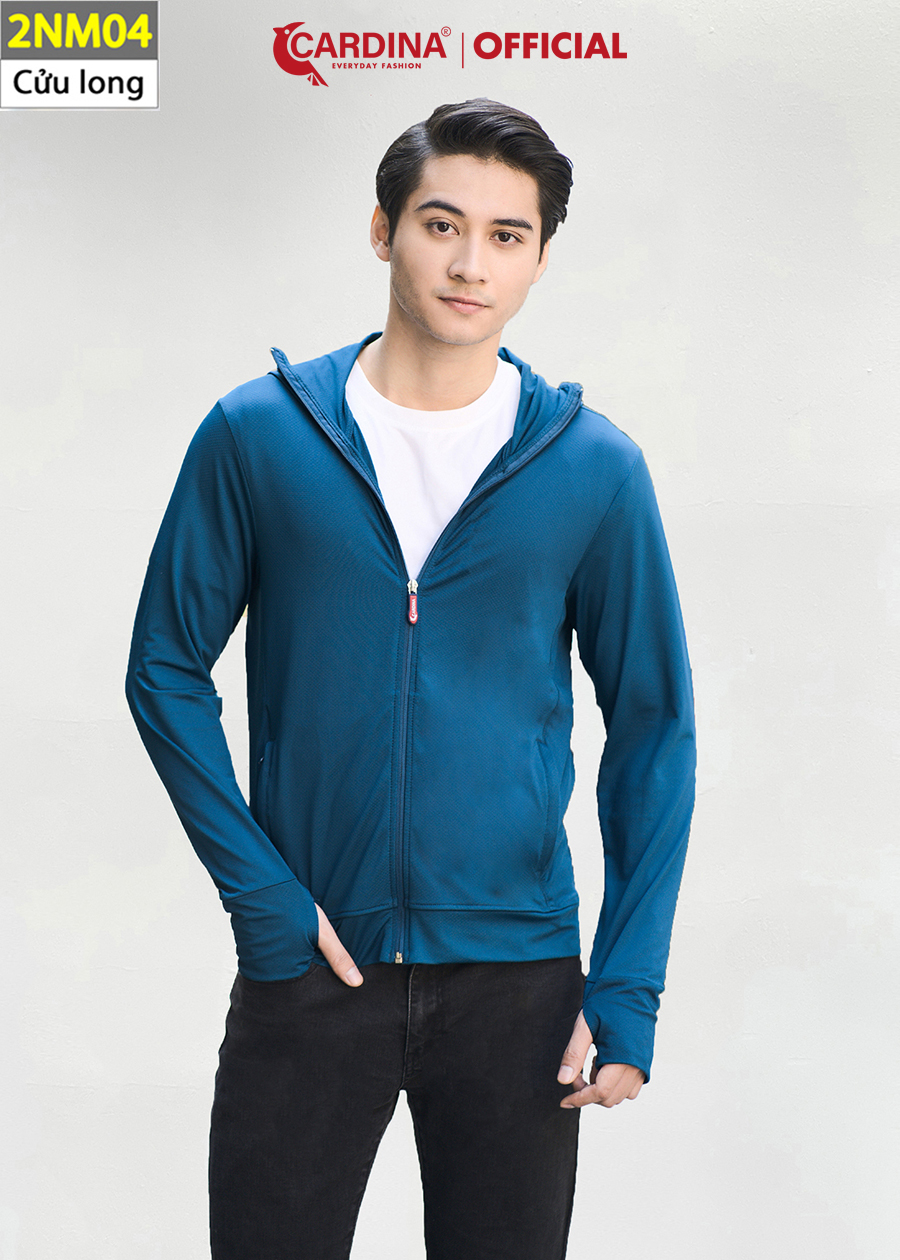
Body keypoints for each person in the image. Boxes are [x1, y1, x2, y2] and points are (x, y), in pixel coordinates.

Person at [125, 98, 696, 1260]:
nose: (470, 262)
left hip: (520, 984)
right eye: (443, 224)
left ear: (538, 260)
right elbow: (164, 667)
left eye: (506, 235)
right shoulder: (258, 436)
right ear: (383, 229)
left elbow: (654, 727)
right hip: (311, 966)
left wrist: (627, 985)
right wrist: (265, 899)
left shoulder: (594, 468)